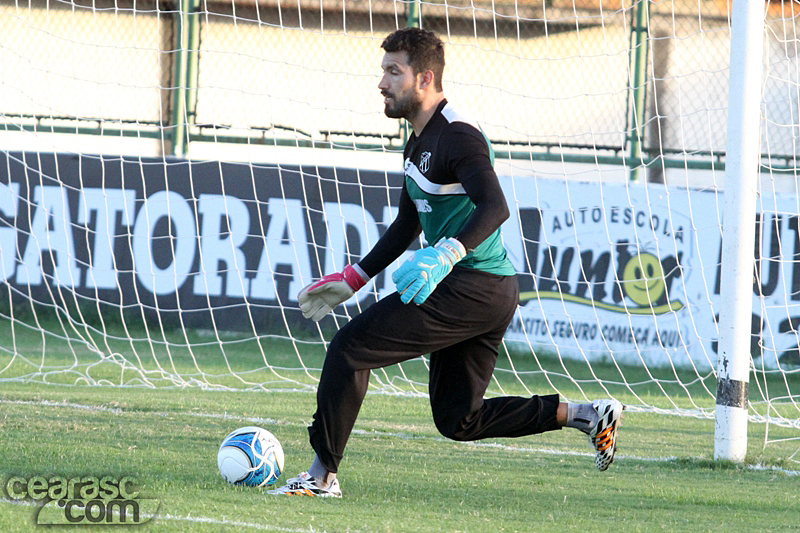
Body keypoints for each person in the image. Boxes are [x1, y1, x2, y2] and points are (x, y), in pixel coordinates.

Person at [269, 27, 623, 498]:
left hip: (472, 284)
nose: (382, 83)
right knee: (459, 419)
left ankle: (321, 477)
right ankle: (583, 415)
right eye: (383, 71)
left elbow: (495, 205)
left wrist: (447, 253)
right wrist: (354, 278)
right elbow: (405, 224)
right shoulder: (418, 141)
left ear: (425, 78)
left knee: (350, 350)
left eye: (394, 71)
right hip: (481, 290)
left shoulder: (458, 135)